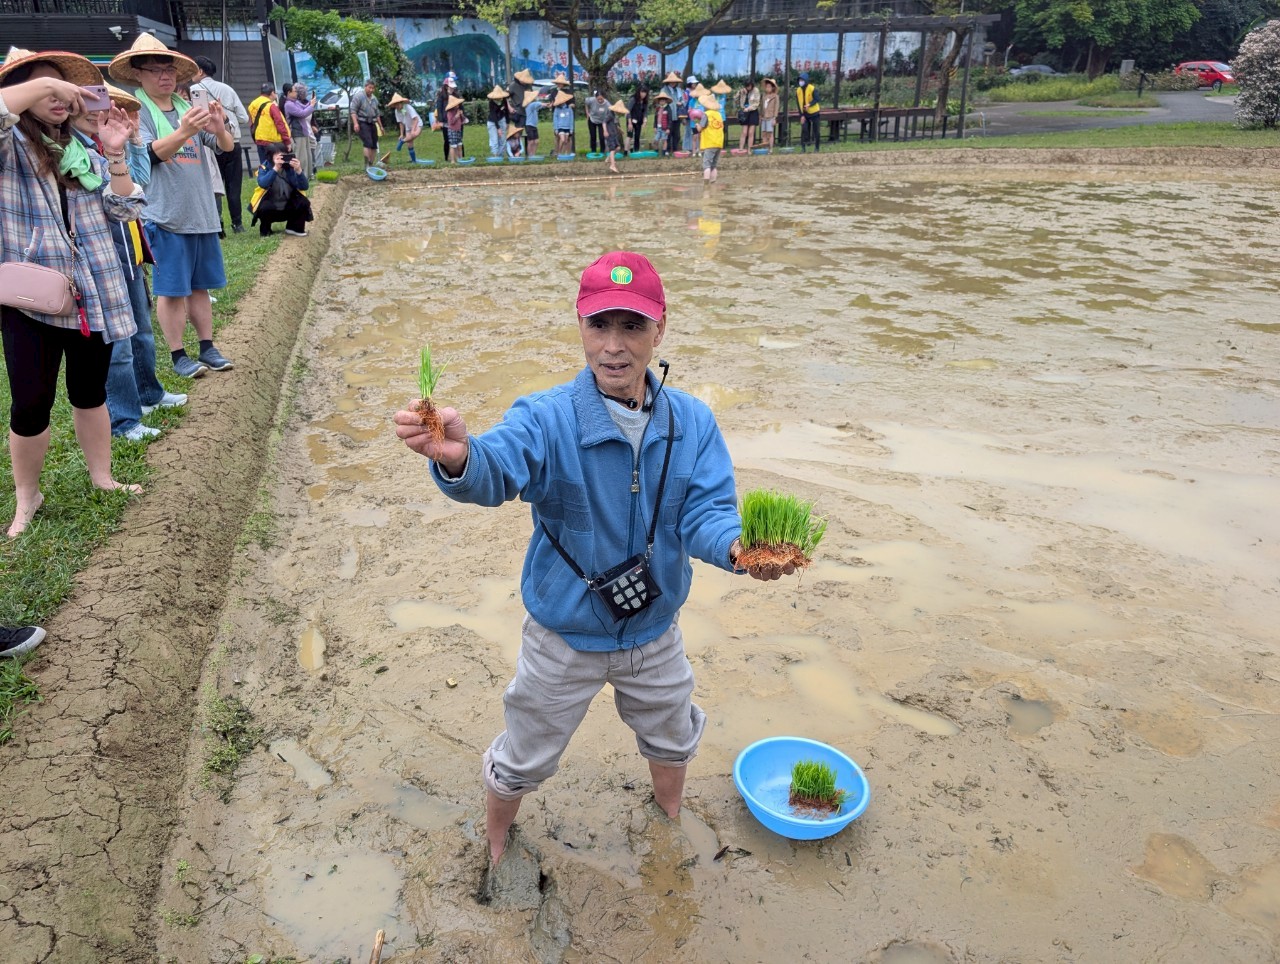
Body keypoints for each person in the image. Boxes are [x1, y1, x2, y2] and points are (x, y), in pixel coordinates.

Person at [393, 251, 792, 866]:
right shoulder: (546, 417)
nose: (613, 346)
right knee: (525, 754)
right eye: (599, 324)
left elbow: (707, 512)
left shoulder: (691, 422)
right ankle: (497, 841)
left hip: (654, 630)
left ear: (660, 329)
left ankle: (669, 815)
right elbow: (498, 466)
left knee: (673, 735)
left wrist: (738, 549)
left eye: (632, 326)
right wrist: (460, 458)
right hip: (563, 635)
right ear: (580, 325)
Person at [1, 48, 145, 538]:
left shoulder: (83, 150)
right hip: (31, 299)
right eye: (48, 87)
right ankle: (27, 496)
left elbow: (125, 211)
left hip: (93, 292)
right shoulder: (10, 145)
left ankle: (102, 476)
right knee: (30, 403)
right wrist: (45, 84)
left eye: (64, 88)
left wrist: (116, 152)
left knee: (89, 392)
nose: (61, 96)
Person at [110, 33, 236, 380]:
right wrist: (184, 132)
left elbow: (225, 146)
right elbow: (150, 154)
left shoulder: (185, 106)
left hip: (200, 212)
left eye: (168, 70)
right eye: (155, 70)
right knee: (171, 289)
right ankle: (178, 354)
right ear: (138, 74)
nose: (164, 77)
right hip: (165, 215)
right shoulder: (137, 112)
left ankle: (208, 346)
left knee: (200, 286)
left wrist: (219, 127)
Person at [69, 83, 185, 441]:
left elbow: (140, 182)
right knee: (117, 343)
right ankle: (123, 419)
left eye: (105, 106)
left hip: (128, 248)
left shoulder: (107, 143)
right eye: (90, 106)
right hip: (100, 258)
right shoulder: (73, 149)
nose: (99, 114)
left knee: (141, 330)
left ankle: (148, 393)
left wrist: (132, 141)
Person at [190, 56, 249, 234]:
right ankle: (237, 224)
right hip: (232, 141)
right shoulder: (227, 89)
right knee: (234, 185)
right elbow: (244, 118)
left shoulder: (194, 90)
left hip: (209, 145)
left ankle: (219, 225)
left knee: (213, 185)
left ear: (200, 71)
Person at [249, 143, 311, 237]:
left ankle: (294, 228)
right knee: (264, 207)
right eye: (278, 156)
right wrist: (275, 169)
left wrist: (298, 170)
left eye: (284, 155)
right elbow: (263, 184)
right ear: (270, 157)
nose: (281, 158)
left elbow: (304, 186)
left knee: (303, 202)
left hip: (288, 206)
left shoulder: (290, 168)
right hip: (271, 207)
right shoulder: (264, 168)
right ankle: (266, 230)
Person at [247, 82, 290, 165]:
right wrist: (287, 141)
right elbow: (280, 124)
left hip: (259, 140)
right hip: (273, 142)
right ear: (272, 93)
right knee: (276, 166)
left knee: (264, 166)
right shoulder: (271, 106)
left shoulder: (252, 104)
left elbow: (251, 123)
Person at [281, 82, 317, 178]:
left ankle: (309, 175)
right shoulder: (288, 104)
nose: (296, 93)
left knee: (308, 155)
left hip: (303, 132)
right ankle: (302, 177)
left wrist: (311, 103)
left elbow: (304, 107)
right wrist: (311, 105)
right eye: (294, 91)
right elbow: (302, 113)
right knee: (302, 157)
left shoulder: (295, 102)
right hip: (297, 133)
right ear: (289, 93)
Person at [349, 78, 381, 168]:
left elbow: (377, 114)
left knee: (374, 144)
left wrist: (381, 126)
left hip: (372, 122)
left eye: (373, 88)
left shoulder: (374, 99)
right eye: (369, 87)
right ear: (365, 87)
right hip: (362, 122)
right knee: (368, 143)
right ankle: (366, 165)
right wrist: (356, 123)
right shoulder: (359, 96)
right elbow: (353, 111)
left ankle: (371, 164)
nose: (371, 90)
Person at [696, 93, 724, 182]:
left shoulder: (706, 114)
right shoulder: (719, 115)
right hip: (718, 142)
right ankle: (713, 181)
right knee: (714, 165)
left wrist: (697, 124)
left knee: (706, 165)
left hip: (709, 143)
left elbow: (700, 128)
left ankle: (706, 183)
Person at [388, 92, 421, 164]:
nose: (397, 106)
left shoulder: (408, 107)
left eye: (398, 104)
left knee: (414, 134)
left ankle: (402, 141)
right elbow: (401, 123)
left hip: (417, 124)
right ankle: (413, 160)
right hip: (408, 126)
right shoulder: (397, 111)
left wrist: (413, 129)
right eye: (395, 105)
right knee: (409, 143)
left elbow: (415, 119)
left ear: (401, 103)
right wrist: (401, 134)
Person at [796, 71, 820, 152]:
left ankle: (817, 148)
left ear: (806, 80)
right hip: (805, 113)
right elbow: (798, 103)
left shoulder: (812, 88)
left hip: (814, 112)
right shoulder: (798, 90)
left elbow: (817, 99)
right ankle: (803, 148)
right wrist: (801, 115)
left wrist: (809, 104)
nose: (800, 82)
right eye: (799, 80)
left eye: (802, 80)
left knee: (816, 131)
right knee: (804, 129)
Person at [603, 99, 628, 173]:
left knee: (618, 148)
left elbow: (615, 125)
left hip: (614, 134)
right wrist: (605, 131)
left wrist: (620, 130)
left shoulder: (614, 116)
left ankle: (608, 158)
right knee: (612, 149)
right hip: (609, 134)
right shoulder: (610, 115)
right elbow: (604, 122)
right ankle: (612, 165)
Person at [485, 85, 510, 157]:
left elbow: (507, 111)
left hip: (502, 120)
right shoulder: (491, 102)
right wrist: (498, 128)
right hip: (492, 122)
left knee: (502, 140)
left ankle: (500, 156)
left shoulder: (504, 100)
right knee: (494, 141)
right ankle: (495, 157)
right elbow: (493, 115)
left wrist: (507, 122)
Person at [661, 72, 681, 155]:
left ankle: (675, 150)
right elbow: (661, 101)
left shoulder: (678, 90)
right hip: (668, 115)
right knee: (668, 133)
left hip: (677, 114)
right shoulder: (664, 90)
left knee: (676, 134)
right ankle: (667, 150)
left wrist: (681, 103)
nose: (673, 83)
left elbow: (682, 99)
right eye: (671, 81)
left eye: (674, 81)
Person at [522, 90, 547, 157]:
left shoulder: (533, 106)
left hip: (534, 126)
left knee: (536, 141)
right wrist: (542, 104)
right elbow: (537, 104)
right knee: (531, 141)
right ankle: (529, 155)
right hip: (529, 125)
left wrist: (546, 105)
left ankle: (533, 154)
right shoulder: (530, 105)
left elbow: (539, 106)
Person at [737, 78, 760, 150]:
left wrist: (749, 108)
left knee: (751, 132)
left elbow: (756, 103)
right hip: (744, 112)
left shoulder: (756, 90)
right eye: (747, 86)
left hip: (753, 112)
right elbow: (735, 99)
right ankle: (741, 149)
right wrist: (739, 92)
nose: (748, 87)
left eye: (749, 86)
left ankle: (749, 149)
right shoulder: (742, 90)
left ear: (752, 85)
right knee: (744, 132)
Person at [759, 77, 779, 153]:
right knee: (764, 133)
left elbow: (776, 108)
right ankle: (765, 148)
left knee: (770, 134)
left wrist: (774, 118)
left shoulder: (775, 96)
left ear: (772, 88)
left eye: (769, 87)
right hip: (764, 117)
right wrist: (760, 116)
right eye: (766, 87)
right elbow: (761, 107)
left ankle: (770, 149)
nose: (767, 88)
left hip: (770, 117)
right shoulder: (763, 96)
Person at [444, 93, 466, 162]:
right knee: (453, 146)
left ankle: (460, 159)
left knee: (459, 145)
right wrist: (456, 116)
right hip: (452, 130)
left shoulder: (458, 110)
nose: (458, 105)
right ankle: (452, 161)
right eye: (456, 104)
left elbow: (463, 120)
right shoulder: (449, 113)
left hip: (458, 129)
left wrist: (461, 115)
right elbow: (451, 122)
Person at [551, 90, 574, 155]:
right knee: (562, 140)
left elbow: (571, 119)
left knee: (566, 141)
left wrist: (571, 128)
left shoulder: (569, 109)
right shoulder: (556, 109)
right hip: (560, 127)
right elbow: (555, 119)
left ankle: (566, 154)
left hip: (567, 127)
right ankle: (559, 153)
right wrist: (556, 128)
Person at [628, 87, 649, 153]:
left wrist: (645, 120)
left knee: (637, 136)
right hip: (631, 120)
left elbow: (645, 112)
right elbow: (628, 111)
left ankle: (636, 150)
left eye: (645, 92)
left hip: (639, 121)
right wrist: (629, 123)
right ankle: (627, 151)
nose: (643, 94)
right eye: (642, 92)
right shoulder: (633, 99)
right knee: (629, 135)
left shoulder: (645, 101)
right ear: (638, 92)